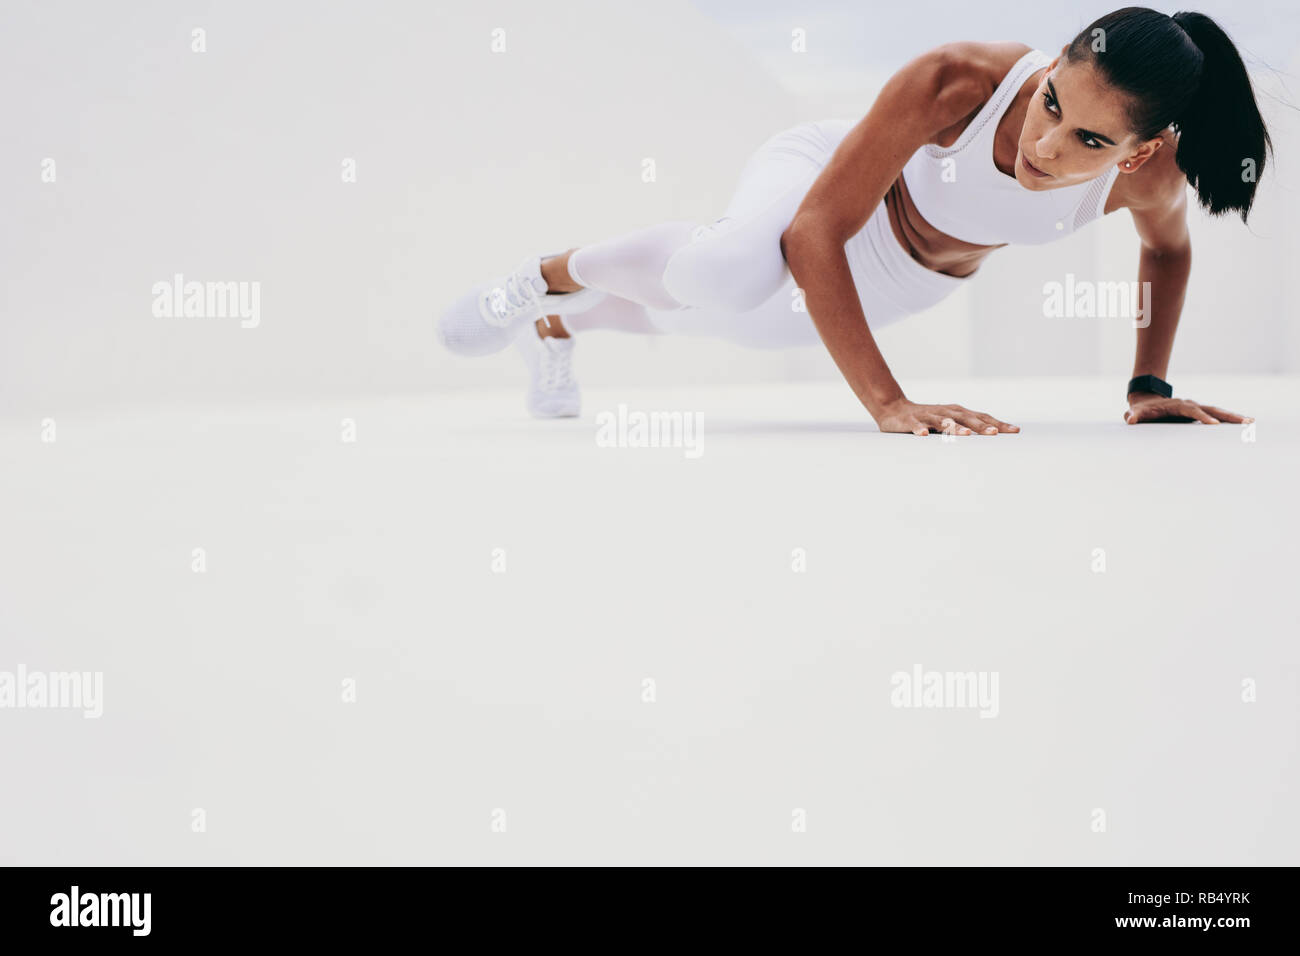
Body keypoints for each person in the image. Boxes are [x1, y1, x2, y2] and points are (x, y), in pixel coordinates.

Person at [438, 7, 1267, 435]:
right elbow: (813, 232)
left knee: (715, 322)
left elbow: (1167, 253)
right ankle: (545, 274)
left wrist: (1146, 388)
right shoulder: (958, 82)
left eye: (1087, 139)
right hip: (833, 187)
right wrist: (888, 401)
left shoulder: (1151, 179)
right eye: (1052, 102)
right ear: (1052, 65)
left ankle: (555, 326)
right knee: (721, 272)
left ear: (1138, 151)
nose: (1043, 146)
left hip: (909, 282)